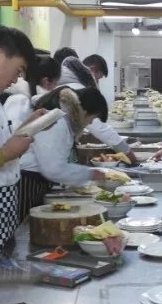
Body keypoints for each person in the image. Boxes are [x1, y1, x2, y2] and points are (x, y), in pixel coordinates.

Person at [0, 26, 37, 265]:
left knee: (2, 266)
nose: (16, 79)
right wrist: (6, 153)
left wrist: (28, 127)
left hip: (4, 200)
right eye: (18, 70)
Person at [18, 86, 110, 220]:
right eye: (92, 118)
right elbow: (53, 169)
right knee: (25, 224)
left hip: (34, 181)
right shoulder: (58, 122)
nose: (90, 123)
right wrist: (89, 174)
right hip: (27, 184)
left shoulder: (63, 119)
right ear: (84, 112)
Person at [56, 55, 139, 165]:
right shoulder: (77, 90)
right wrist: (127, 152)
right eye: (98, 78)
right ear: (93, 69)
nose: (97, 82)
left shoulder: (64, 83)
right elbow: (99, 127)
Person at [4, 55, 60, 131]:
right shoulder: (21, 100)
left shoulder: (25, 99)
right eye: (56, 83)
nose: (55, 88)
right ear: (46, 81)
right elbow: (11, 134)